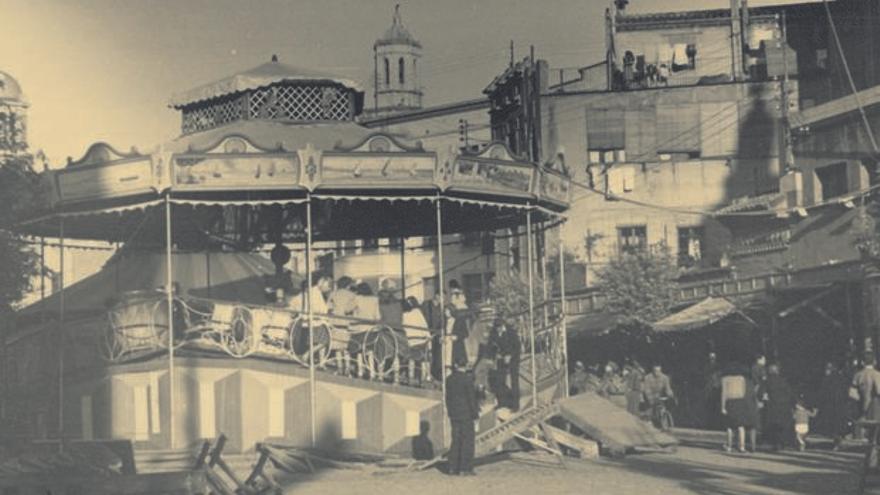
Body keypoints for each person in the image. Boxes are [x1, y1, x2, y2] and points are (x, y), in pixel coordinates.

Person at [445, 357, 479, 476]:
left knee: (455, 440)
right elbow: (471, 398)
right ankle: (465, 468)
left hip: (454, 414)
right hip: (466, 414)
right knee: (467, 441)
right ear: (465, 365)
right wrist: (475, 414)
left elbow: (447, 398)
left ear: (455, 365)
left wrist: (450, 412)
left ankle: (452, 467)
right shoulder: (467, 379)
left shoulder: (449, 379)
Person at [720, 363, 759, 453]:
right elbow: (743, 391)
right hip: (740, 401)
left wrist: (723, 407)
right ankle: (742, 446)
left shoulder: (725, 379)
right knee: (741, 425)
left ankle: (729, 445)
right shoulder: (741, 378)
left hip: (730, 401)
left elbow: (723, 393)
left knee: (729, 426)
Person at [816, 362, 849, 450]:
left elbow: (822, 394)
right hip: (841, 405)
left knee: (833, 425)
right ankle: (838, 442)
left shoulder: (827, 380)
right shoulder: (842, 379)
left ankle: (837, 443)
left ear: (830, 369)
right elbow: (846, 392)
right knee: (839, 425)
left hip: (830, 406)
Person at [490, 318, 520, 411]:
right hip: (501, 359)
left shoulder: (511, 333)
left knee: (514, 381)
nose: (498, 330)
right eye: (496, 328)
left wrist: (510, 356)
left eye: (500, 327)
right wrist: (496, 354)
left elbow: (517, 347)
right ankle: (502, 403)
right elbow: (492, 345)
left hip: (513, 359)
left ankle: (515, 405)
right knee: (499, 380)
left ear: (503, 325)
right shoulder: (494, 332)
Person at [764, 363, 795, 451]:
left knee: (773, 426)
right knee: (783, 425)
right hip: (785, 406)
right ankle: (783, 443)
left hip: (772, 406)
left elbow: (761, 393)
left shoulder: (767, 381)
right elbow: (790, 393)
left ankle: (776, 443)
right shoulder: (784, 381)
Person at [853, 354, 880, 422]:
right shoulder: (877, 374)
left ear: (862, 362)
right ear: (874, 362)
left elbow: (852, 394)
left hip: (860, 408)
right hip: (874, 409)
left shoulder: (857, 375)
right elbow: (878, 391)